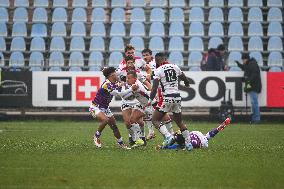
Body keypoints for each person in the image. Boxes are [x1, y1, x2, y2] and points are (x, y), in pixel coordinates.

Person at [147, 52, 193, 151]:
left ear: (156, 61)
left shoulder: (158, 70)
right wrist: (187, 83)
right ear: (165, 59)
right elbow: (183, 76)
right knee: (179, 122)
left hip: (167, 97)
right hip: (177, 97)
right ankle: (189, 144)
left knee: (155, 120)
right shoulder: (175, 66)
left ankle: (168, 136)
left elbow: (154, 88)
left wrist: (150, 100)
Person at [89, 67, 131, 149]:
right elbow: (117, 94)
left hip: (105, 108)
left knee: (114, 126)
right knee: (105, 120)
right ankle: (96, 136)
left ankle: (121, 144)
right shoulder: (107, 84)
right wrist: (123, 85)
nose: (117, 74)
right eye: (115, 73)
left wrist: (121, 84)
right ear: (112, 75)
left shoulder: (114, 82)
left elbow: (119, 86)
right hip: (95, 107)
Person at [116, 56, 152, 147]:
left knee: (138, 121)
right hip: (125, 100)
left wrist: (152, 92)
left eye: (132, 62)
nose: (130, 64)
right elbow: (117, 84)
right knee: (128, 122)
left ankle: (142, 137)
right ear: (125, 63)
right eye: (128, 62)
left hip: (137, 100)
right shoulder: (120, 73)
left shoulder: (137, 73)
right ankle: (133, 138)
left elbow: (146, 82)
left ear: (134, 63)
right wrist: (119, 85)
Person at [142, 48, 174, 140]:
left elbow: (153, 76)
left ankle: (170, 134)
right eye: (143, 55)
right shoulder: (145, 65)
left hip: (156, 90)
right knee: (146, 111)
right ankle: (152, 132)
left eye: (147, 55)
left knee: (160, 112)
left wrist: (146, 76)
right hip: (151, 90)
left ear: (151, 55)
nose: (145, 57)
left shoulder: (154, 64)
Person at [156, 118, 231, 150]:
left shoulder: (181, 144)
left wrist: (163, 147)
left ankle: (219, 127)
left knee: (207, 137)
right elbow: (184, 128)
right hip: (197, 135)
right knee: (207, 136)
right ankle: (219, 127)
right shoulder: (185, 137)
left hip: (200, 142)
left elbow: (174, 146)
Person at [235, 53, 262, 124]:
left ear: (245, 59)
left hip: (254, 86)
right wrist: (238, 64)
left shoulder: (252, 64)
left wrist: (248, 80)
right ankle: (254, 118)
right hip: (253, 86)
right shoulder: (250, 64)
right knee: (253, 103)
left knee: (254, 102)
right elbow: (245, 68)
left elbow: (254, 75)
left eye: (243, 60)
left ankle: (257, 119)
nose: (243, 61)